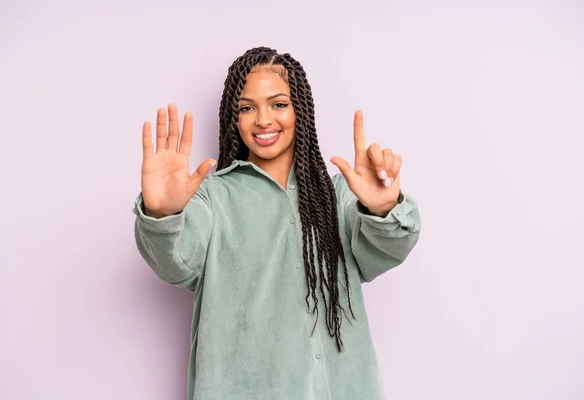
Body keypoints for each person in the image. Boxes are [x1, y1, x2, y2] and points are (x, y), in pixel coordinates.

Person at [133, 47, 421, 400]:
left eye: (278, 104)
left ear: (300, 110)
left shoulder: (338, 194)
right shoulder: (211, 197)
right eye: (247, 107)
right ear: (233, 118)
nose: (263, 120)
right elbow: (176, 262)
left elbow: (384, 250)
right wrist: (163, 214)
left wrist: (383, 208)